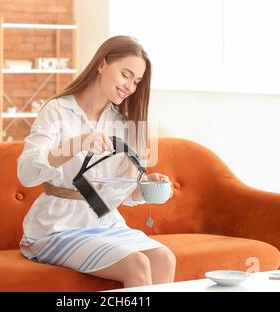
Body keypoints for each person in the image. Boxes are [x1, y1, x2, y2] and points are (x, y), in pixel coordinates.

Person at [17, 35, 177, 288]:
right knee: (136, 263)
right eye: (126, 74)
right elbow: (26, 173)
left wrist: (146, 185)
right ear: (102, 64)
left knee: (164, 259)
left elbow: (121, 190)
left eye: (136, 81)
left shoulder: (121, 122)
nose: (130, 87)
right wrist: (78, 142)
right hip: (58, 227)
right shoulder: (57, 110)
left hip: (105, 222)